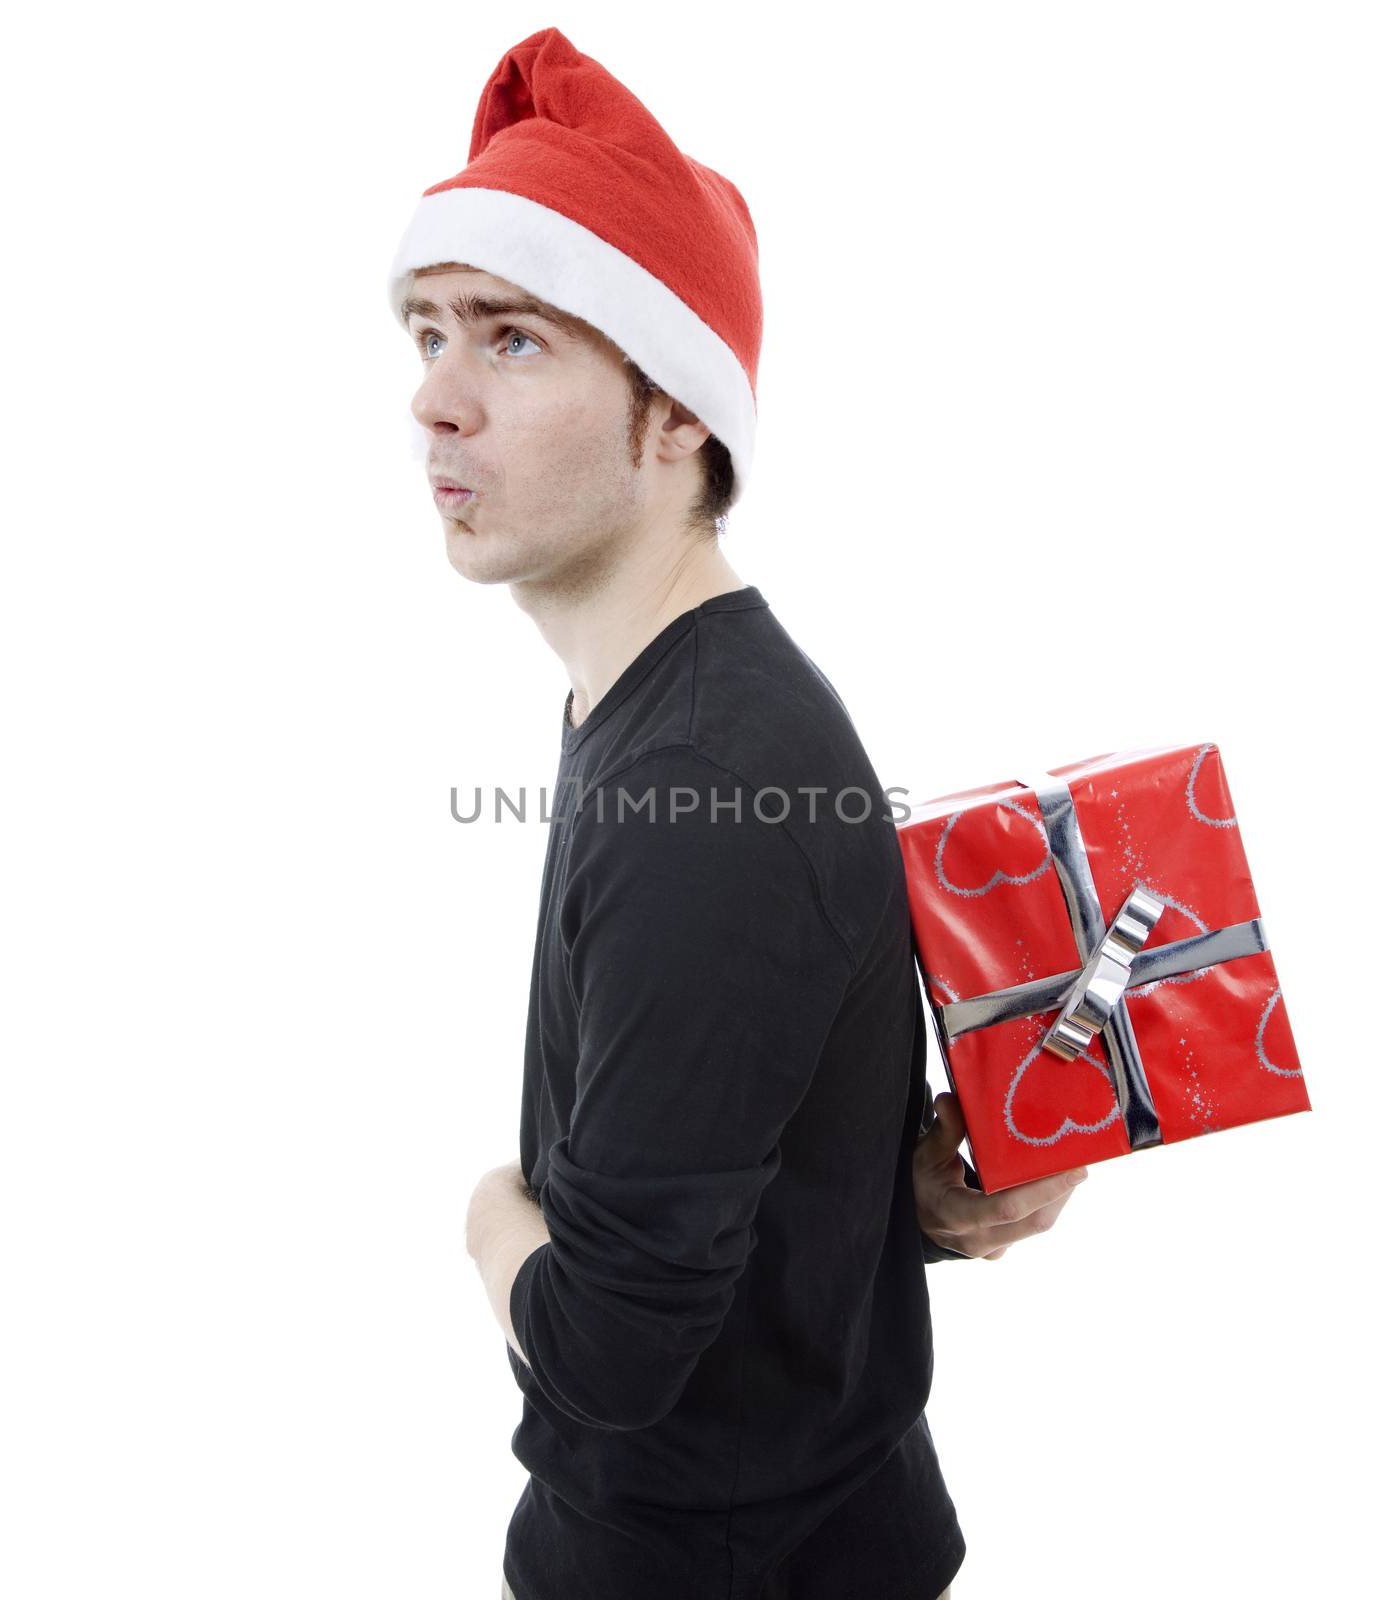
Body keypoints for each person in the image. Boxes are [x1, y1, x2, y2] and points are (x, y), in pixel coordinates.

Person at [387, 28, 1087, 1600]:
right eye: (426, 333)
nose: (432, 398)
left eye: (510, 341)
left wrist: (485, 1216)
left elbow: (608, 1354)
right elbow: (753, 1159)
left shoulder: (703, 785)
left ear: (675, 413)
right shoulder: (650, 702)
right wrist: (898, 1201)